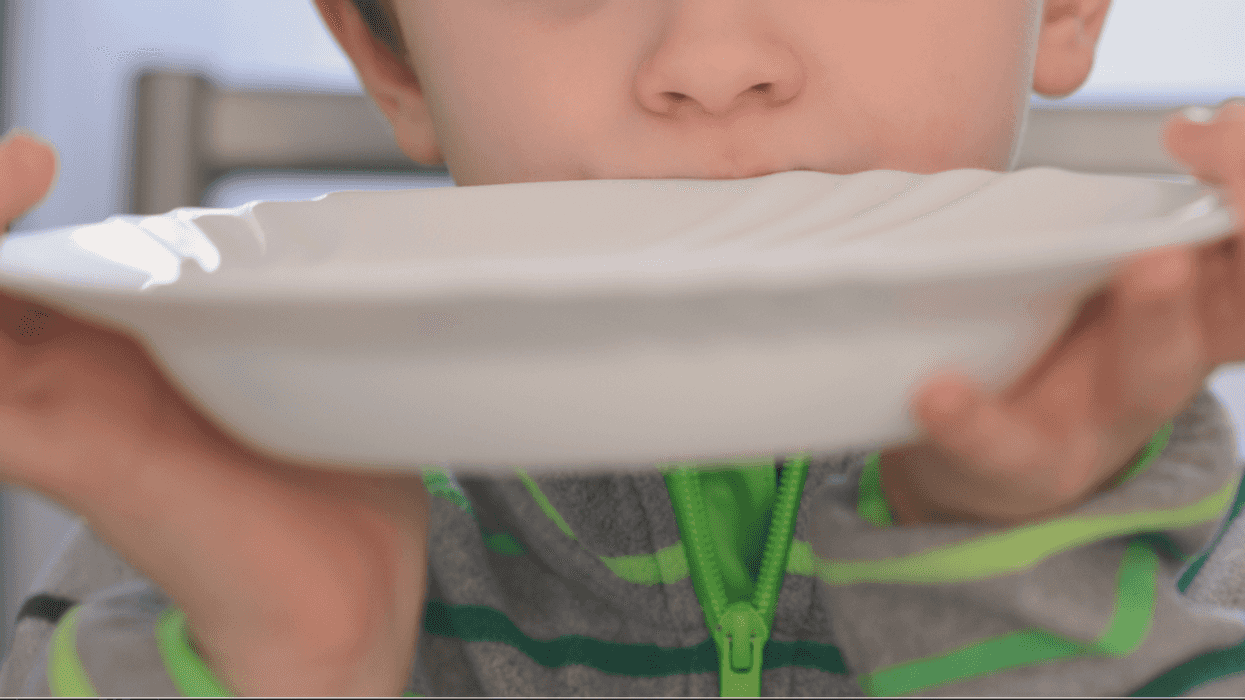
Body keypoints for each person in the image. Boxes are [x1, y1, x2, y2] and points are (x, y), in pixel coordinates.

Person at [2, 0, 1245, 695]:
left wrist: (995, 570)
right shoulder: (211, 501)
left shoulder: (1194, 541)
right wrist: (298, 657)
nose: (707, 63)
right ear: (390, 56)